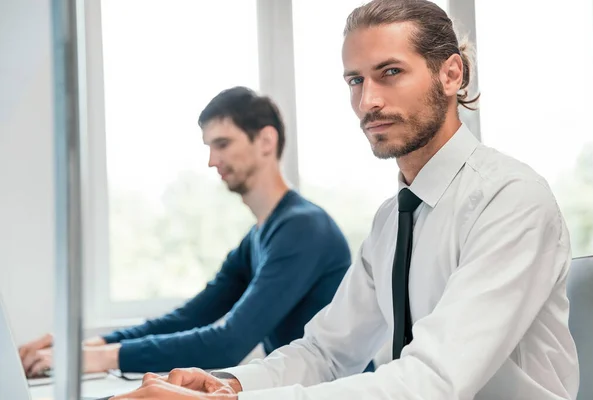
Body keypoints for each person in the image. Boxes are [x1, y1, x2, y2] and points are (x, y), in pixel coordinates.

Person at [111, 0, 580, 399]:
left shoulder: (510, 200)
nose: (367, 101)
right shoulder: (392, 221)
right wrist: (228, 384)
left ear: (451, 74)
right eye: (355, 81)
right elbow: (327, 352)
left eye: (390, 73)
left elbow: (432, 380)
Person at [19, 86, 352, 376]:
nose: (211, 160)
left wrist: (96, 359)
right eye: (209, 146)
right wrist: (88, 346)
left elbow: (229, 343)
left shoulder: (303, 228)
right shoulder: (256, 240)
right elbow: (188, 318)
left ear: (266, 140)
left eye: (222, 144)